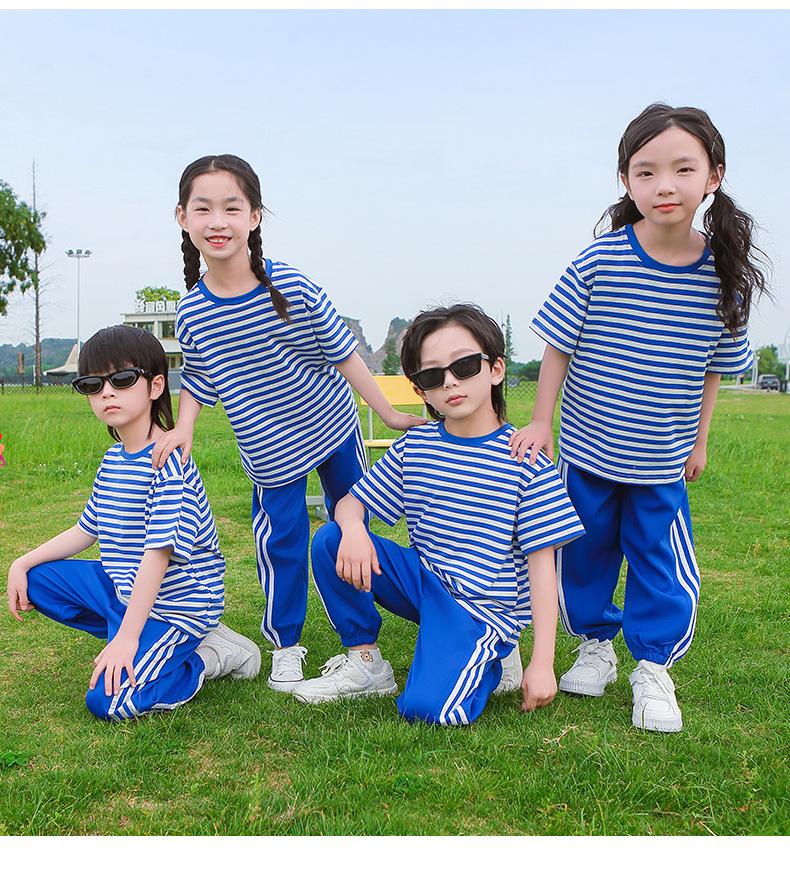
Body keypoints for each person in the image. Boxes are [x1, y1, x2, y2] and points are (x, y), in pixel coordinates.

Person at [510, 103, 769, 733]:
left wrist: (699, 441)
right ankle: (595, 644)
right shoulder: (599, 261)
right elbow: (557, 346)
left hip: (661, 461)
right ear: (625, 180)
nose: (664, 186)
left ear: (713, 177)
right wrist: (541, 423)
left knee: (661, 565)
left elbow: (714, 369)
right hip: (587, 454)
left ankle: (653, 667)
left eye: (683, 169)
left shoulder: (723, 278)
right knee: (584, 556)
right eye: (646, 172)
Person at [152, 154, 424, 693]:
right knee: (282, 544)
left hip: (332, 429)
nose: (218, 222)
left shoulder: (293, 286)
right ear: (182, 217)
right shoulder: (193, 311)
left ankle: (361, 645)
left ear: (254, 216)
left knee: (351, 530)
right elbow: (200, 377)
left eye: (232, 208)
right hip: (268, 449)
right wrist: (184, 427)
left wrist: (388, 412)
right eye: (203, 209)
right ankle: (286, 644)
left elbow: (344, 354)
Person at [291, 304, 585, 725]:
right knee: (332, 539)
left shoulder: (525, 459)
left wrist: (543, 662)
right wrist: (352, 526)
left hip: (479, 609)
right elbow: (351, 502)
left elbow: (543, 566)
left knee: (429, 710)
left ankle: (495, 657)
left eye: (464, 366)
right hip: (423, 581)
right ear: (421, 391)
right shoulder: (417, 446)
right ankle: (365, 661)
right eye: (432, 375)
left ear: (496, 369)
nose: (450, 382)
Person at [6, 325, 260, 721]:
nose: (107, 392)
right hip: (124, 588)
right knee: (37, 580)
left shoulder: (169, 461)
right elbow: (87, 529)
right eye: (93, 384)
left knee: (109, 702)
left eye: (122, 379)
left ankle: (211, 656)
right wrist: (21, 562)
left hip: (176, 605)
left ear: (156, 386)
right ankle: (136, 635)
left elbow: (158, 555)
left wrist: (127, 639)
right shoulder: (113, 459)